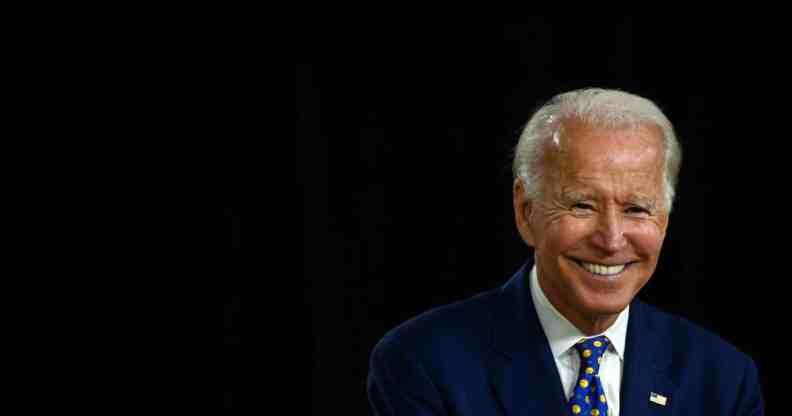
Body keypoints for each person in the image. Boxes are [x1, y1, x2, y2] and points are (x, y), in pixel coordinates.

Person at [366, 88, 765, 415]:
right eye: (581, 205)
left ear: (664, 219)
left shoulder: (723, 380)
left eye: (636, 209)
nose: (611, 239)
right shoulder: (423, 364)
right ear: (526, 212)